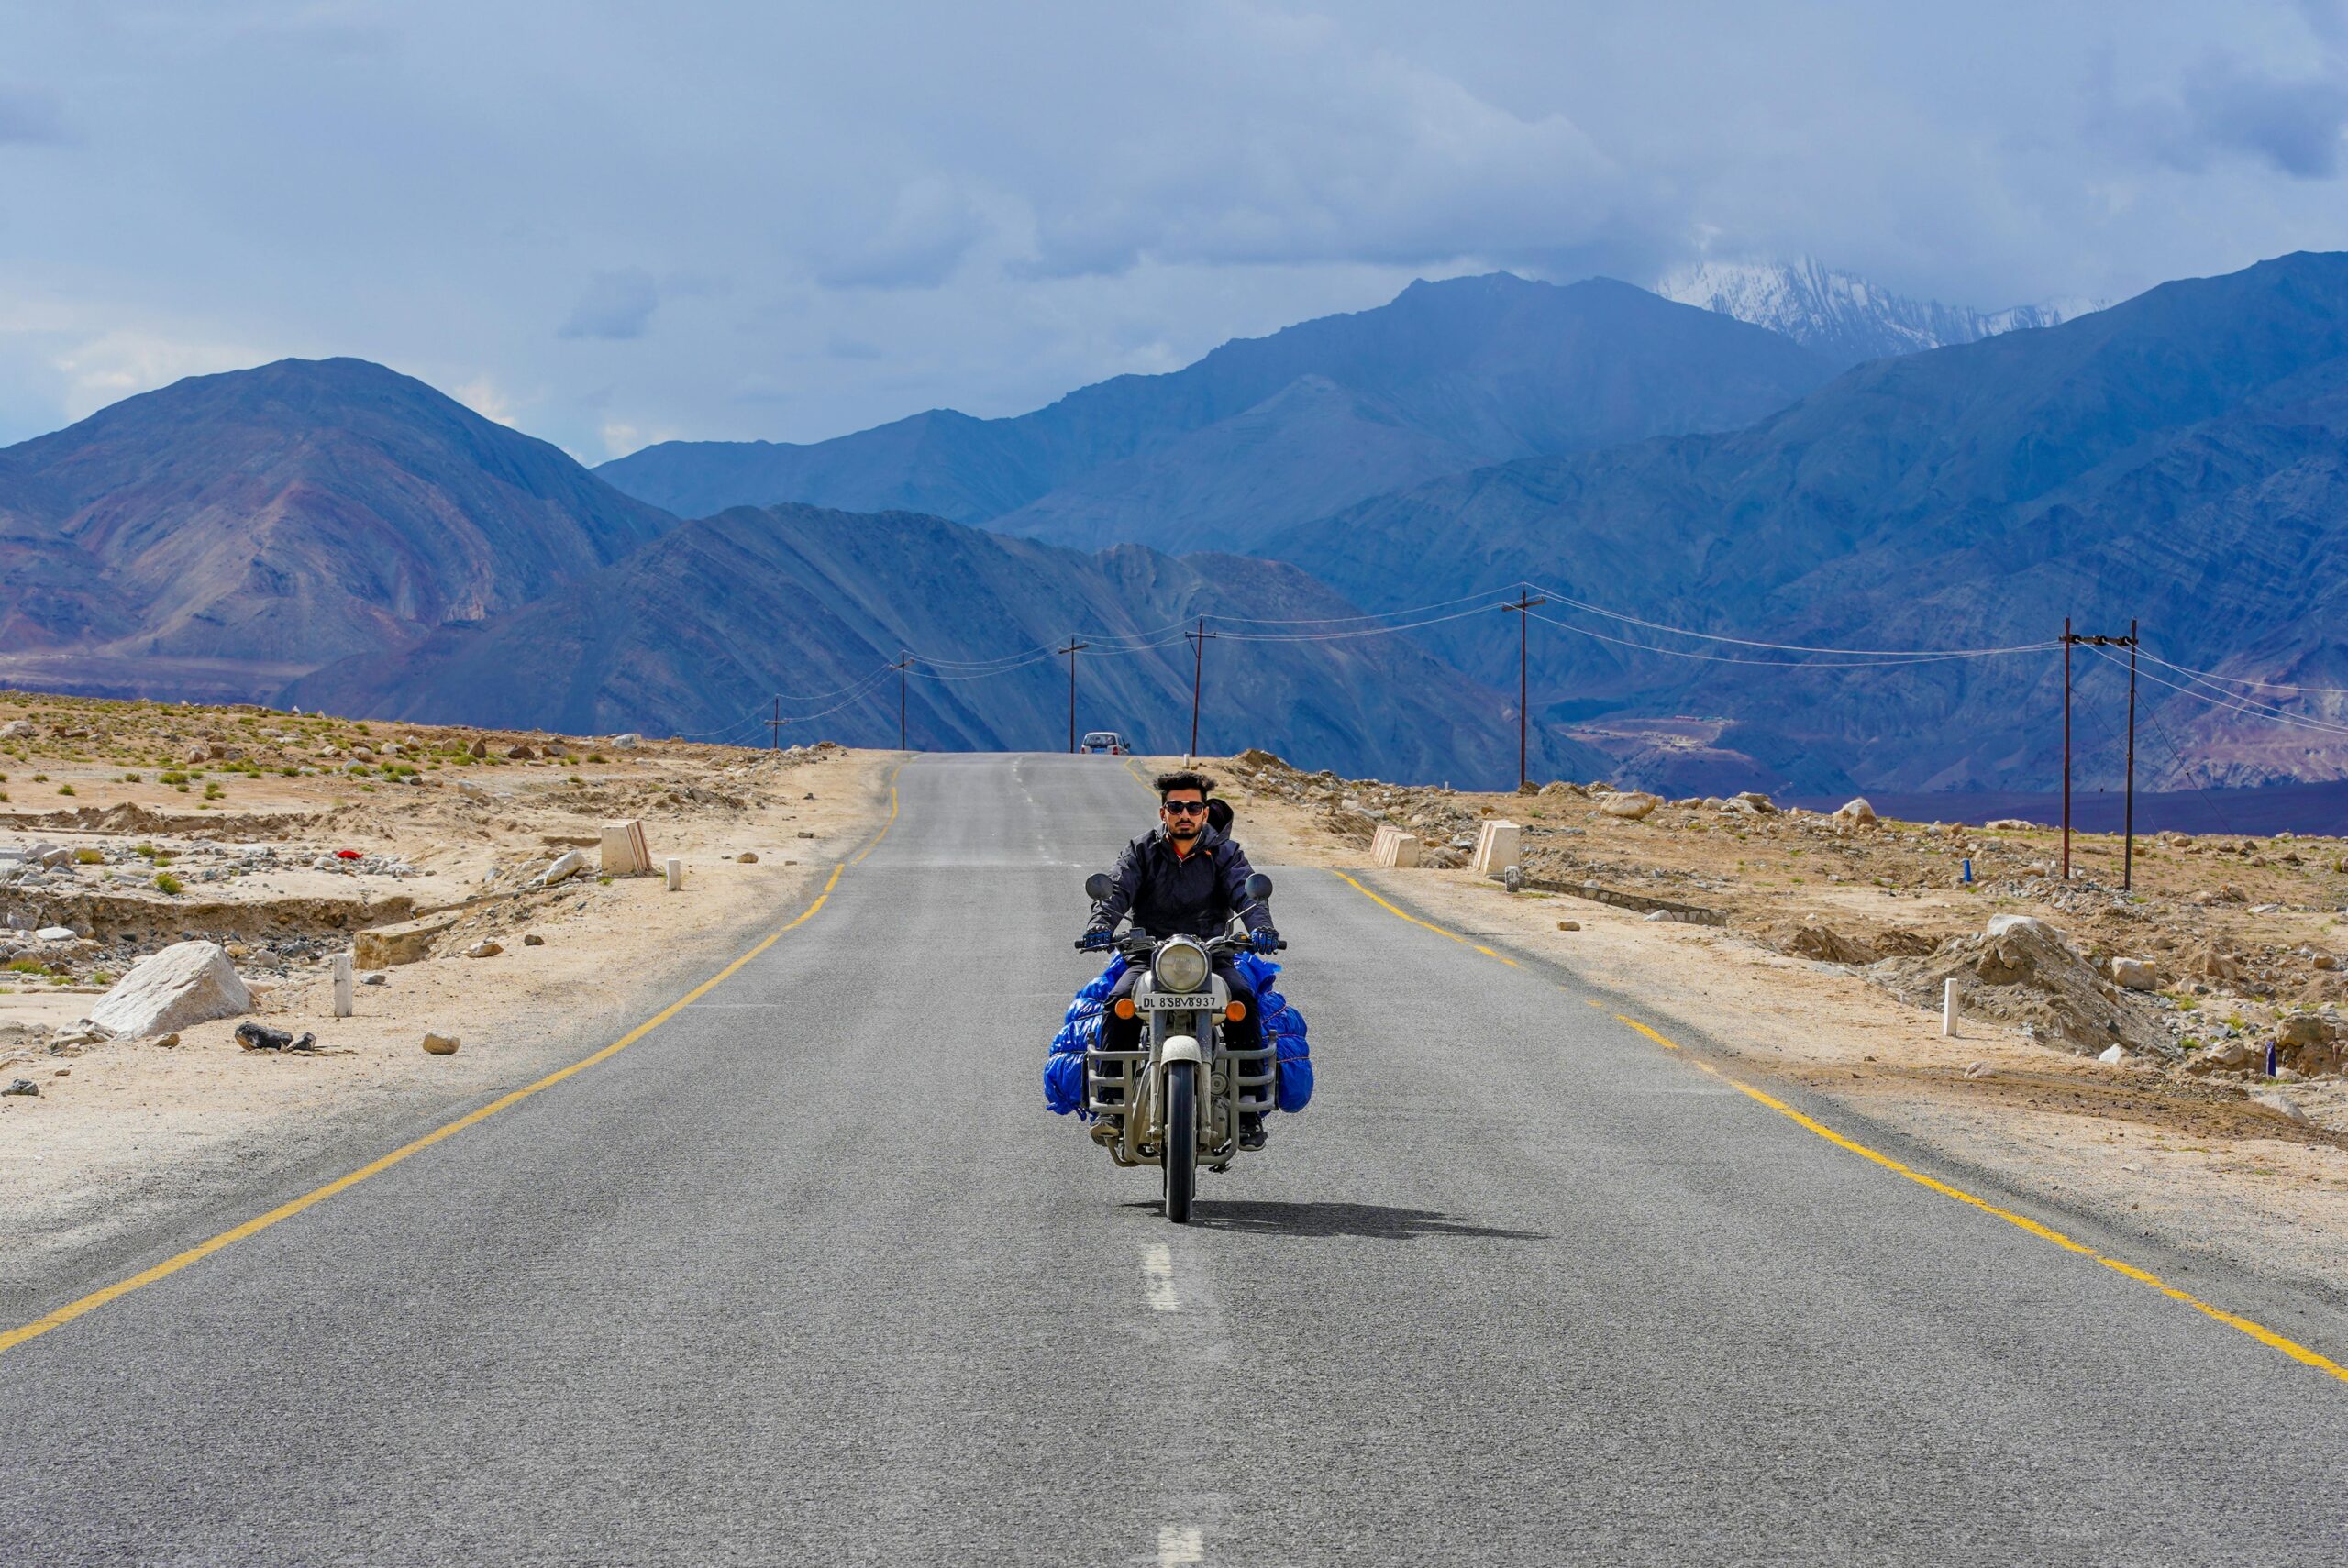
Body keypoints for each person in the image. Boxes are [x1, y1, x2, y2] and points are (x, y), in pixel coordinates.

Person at [1082, 770, 1280, 1147]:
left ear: (1205, 813)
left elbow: (1247, 893)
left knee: (1242, 1001)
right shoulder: (1141, 850)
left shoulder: (1226, 854)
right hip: (1149, 955)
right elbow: (1117, 890)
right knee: (1119, 1003)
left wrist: (1261, 929)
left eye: (1193, 807)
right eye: (1176, 807)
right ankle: (1110, 1104)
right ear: (1163, 813)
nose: (1184, 814)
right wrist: (1100, 924)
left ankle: (1249, 1109)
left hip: (1212, 954)